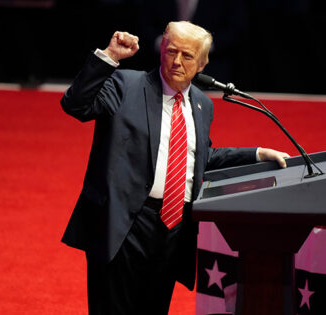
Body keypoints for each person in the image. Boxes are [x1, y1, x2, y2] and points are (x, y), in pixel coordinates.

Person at [61, 21, 289, 315]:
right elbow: (75, 105)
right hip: (125, 224)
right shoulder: (126, 85)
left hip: (173, 231)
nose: (177, 61)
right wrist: (110, 56)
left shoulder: (202, 105)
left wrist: (257, 154)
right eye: (171, 51)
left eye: (188, 56)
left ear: (203, 63)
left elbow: (201, 157)